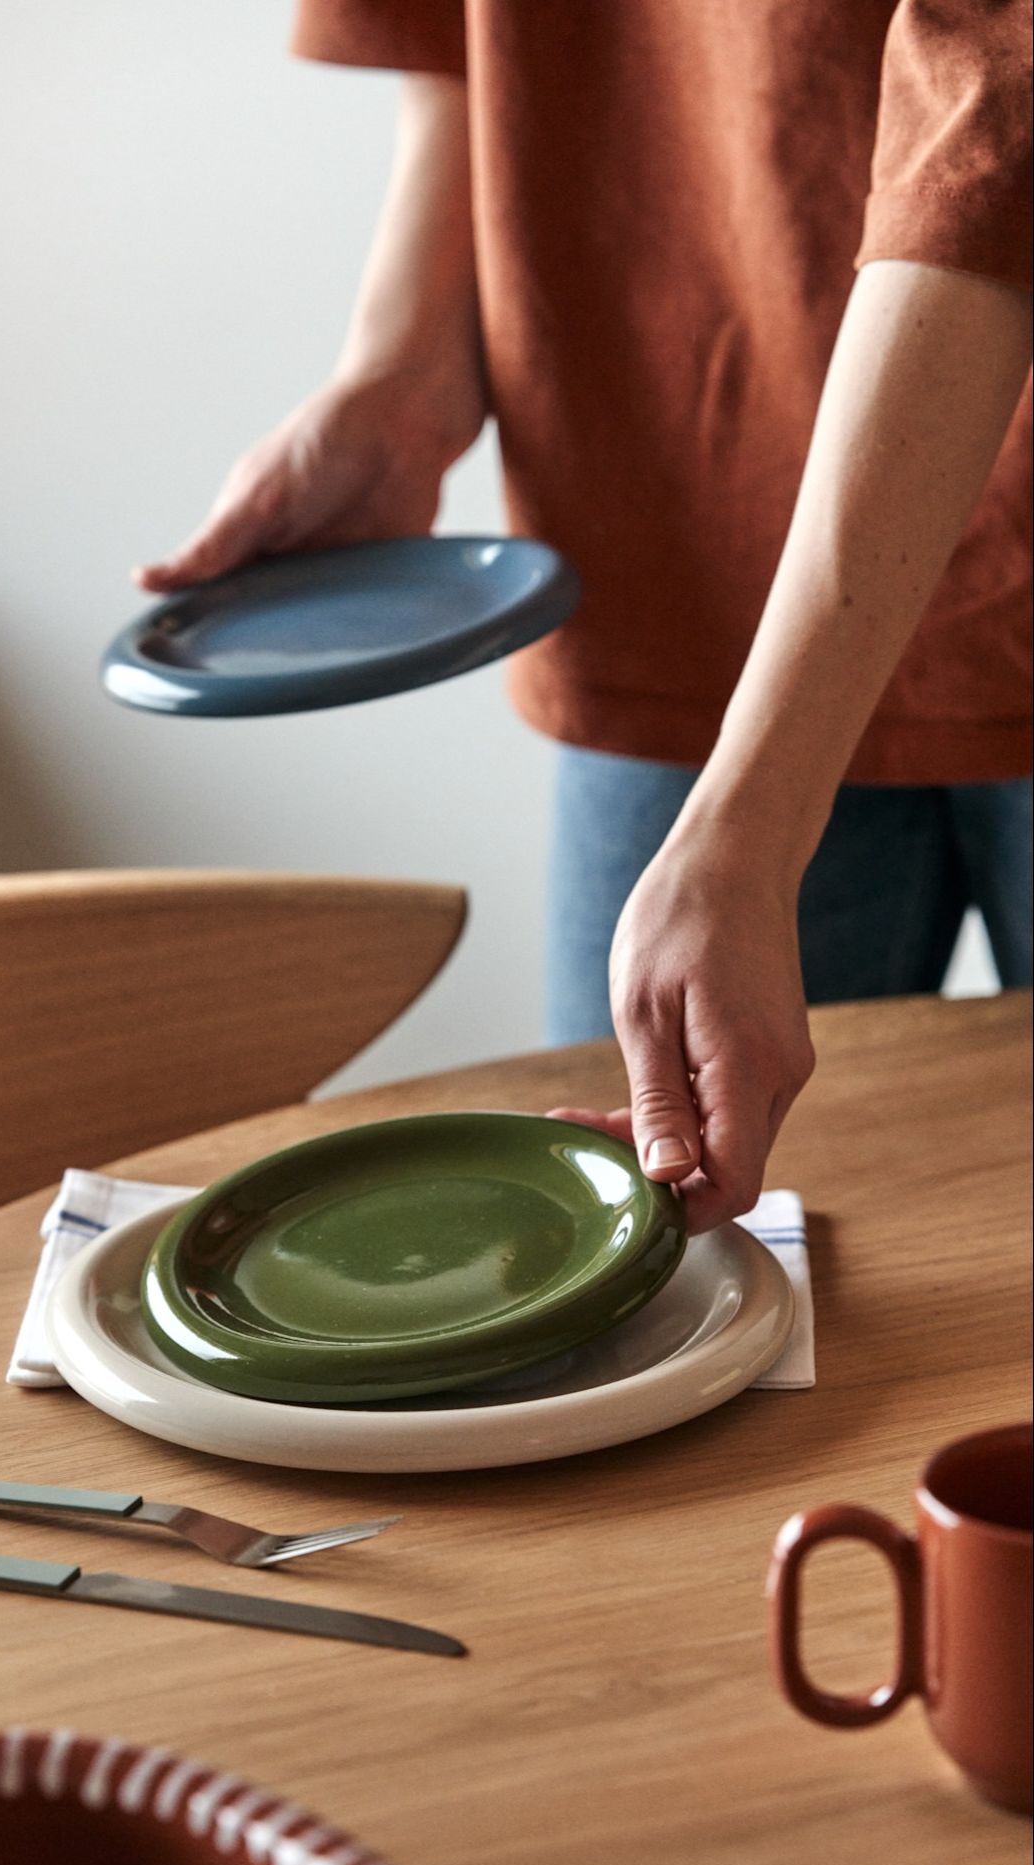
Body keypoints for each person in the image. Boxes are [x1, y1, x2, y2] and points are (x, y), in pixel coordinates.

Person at [138, 2, 1033, 1233]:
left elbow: (1000, 112)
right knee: (644, 1266)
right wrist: (401, 370)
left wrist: (749, 824)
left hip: (915, 492)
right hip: (681, 535)